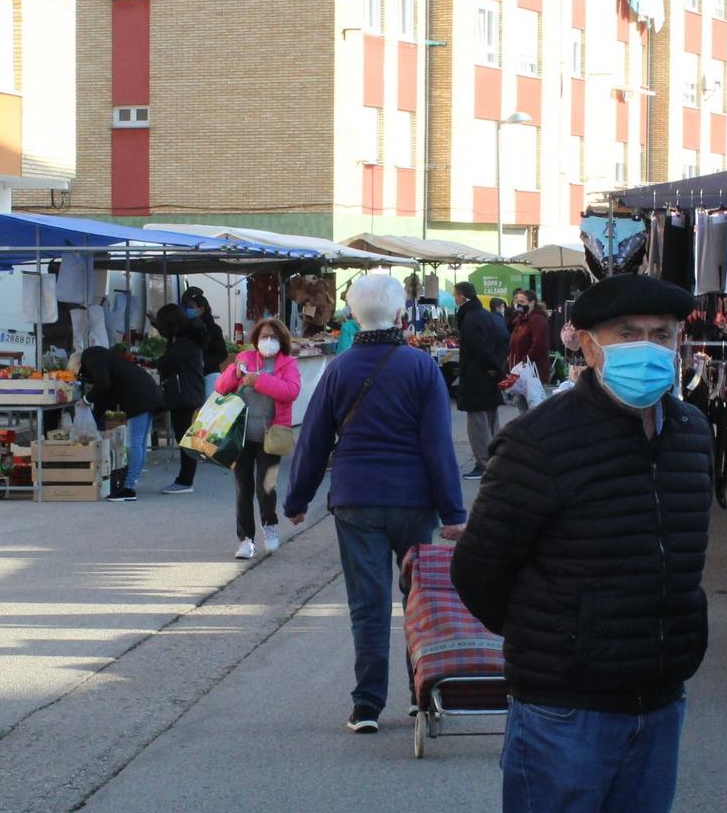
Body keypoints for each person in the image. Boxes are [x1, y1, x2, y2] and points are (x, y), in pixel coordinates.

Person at [451, 274, 725, 813]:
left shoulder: (688, 431)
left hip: (656, 699)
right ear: (588, 341)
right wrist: (556, 641)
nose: (654, 348)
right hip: (564, 707)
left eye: (668, 334)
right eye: (634, 332)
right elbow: (477, 570)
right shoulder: (544, 440)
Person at [283, 273, 465, 733]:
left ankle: (367, 705)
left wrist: (298, 498)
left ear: (351, 315)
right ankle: (420, 697)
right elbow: (438, 445)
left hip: (356, 497)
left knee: (368, 605)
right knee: (417, 602)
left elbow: (315, 440)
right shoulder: (422, 368)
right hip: (413, 499)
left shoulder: (338, 369)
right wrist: (453, 513)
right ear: (402, 315)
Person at [214, 316, 302, 559]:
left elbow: (290, 392)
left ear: (282, 339)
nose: (268, 341)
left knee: (267, 487)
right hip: (241, 436)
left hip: (272, 437)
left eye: (273, 337)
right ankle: (245, 539)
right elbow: (220, 387)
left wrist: (259, 381)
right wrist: (235, 373)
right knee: (243, 489)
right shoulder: (244, 358)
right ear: (256, 339)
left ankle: (270, 525)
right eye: (264, 336)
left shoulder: (288, 364)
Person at [79, 344, 164, 502]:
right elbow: (104, 394)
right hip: (148, 393)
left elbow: (103, 384)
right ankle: (132, 482)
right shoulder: (107, 358)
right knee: (140, 442)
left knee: (134, 442)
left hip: (139, 398)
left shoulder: (92, 359)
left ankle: (129, 488)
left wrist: (86, 400)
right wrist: (94, 420)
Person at [452, 281, 509, 481]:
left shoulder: (469, 318)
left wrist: (492, 368)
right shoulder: (484, 314)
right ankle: (495, 460)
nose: (454, 299)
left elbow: (478, 350)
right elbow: (502, 339)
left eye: (455, 295)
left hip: (476, 377)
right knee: (491, 419)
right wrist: (497, 368)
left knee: (478, 423)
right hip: (488, 376)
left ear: (462, 296)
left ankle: (483, 464)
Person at [154, 303, 208, 495]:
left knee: (184, 437)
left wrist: (156, 363)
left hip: (185, 393)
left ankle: (185, 481)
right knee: (185, 437)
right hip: (188, 391)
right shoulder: (187, 338)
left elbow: (169, 362)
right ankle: (185, 479)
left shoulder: (184, 342)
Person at [181, 286, 230, 395]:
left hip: (210, 375)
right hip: (194, 376)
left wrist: (204, 363)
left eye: (191, 307)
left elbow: (223, 354)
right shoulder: (189, 327)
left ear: (201, 309)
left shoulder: (213, 329)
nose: (188, 310)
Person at [507, 286, 551, 386]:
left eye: (522, 302)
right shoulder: (521, 320)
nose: (518, 305)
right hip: (520, 373)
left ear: (532, 302)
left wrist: (524, 362)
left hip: (532, 373)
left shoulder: (537, 320)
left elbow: (539, 345)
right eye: (517, 302)